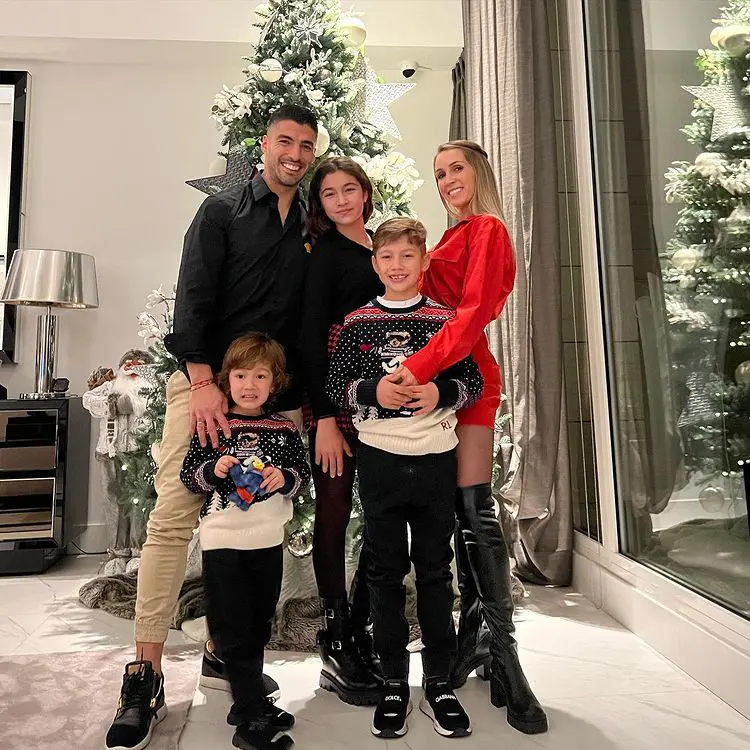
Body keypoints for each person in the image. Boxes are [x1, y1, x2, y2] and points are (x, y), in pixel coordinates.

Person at [104, 104, 318, 750]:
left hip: (273, 397)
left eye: (308, 145)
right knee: (174, 516)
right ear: (265, 144)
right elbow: (193, 295)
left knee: (258, 519)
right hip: (204, 384)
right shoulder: (222, 211)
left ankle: (229, 652)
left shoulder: (310, 221)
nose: (297, 154)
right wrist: (201, 382)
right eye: (287, 140)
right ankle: (143, 673)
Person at [386, 141, 548, 735]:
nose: (447, 179)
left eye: (456, 168)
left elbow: (473, 311)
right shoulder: (445, 238)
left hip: (467, 377)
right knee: (451, 510)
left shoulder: (489, 230)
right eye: (438, 174)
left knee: (475, 509)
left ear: (479, 171)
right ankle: (469, 638)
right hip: (429, 378)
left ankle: (507, 657)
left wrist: (420, 367)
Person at [326, 218, 483, 739]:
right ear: (375, 263)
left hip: (435, 458)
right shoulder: (357, 323)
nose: (396, 266)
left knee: (436, 573)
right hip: (381, 463)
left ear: (423, 263)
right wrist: (372, 393)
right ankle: (394, 679)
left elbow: (474, 379)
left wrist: (443, 394)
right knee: (384, 573)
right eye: (386, 257)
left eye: (407, 257)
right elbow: (335, 385)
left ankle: (438, 681)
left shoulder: (446, 320)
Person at [180, 333, 310, 750]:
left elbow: (300, 476)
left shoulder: (284, 428)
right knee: (231, 624)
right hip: (223, 539)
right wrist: (215, 468)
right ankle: (251, 717)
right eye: (240, 375)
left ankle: (247, 698)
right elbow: (190, 475)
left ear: (276, 382)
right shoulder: (216, 425)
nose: (250, 384)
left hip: (267, 539)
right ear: (225, 379)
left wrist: (284, 478)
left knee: (259, 621)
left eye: (261, 375)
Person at [299, 157, 384, 705]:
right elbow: (309, 339)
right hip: (335, 397)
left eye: (348, 189)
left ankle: (360, 622)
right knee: (332, 512)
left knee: (385, 511)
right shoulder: (325, 257)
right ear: (320, 206)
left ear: (365, 193)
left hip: (386, 398)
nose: (341, 201)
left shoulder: (383, 246)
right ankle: (335, 631)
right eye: (329, 194)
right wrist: (326, 419)